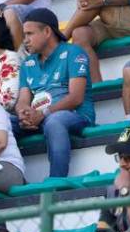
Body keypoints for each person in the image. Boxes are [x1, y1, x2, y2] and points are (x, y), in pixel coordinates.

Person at [13, 9, 94, 179]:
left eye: (29, 34)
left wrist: (43, 113)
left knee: (54, 122)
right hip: (39, 117)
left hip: (74, 115)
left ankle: (57, 183)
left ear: (47, 31)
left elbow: (76, 97)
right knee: (2, 123)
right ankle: (13, 181)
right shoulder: (28, 63)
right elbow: (23, 100)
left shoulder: (74, 53)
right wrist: (23, 113)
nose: (25, 40)